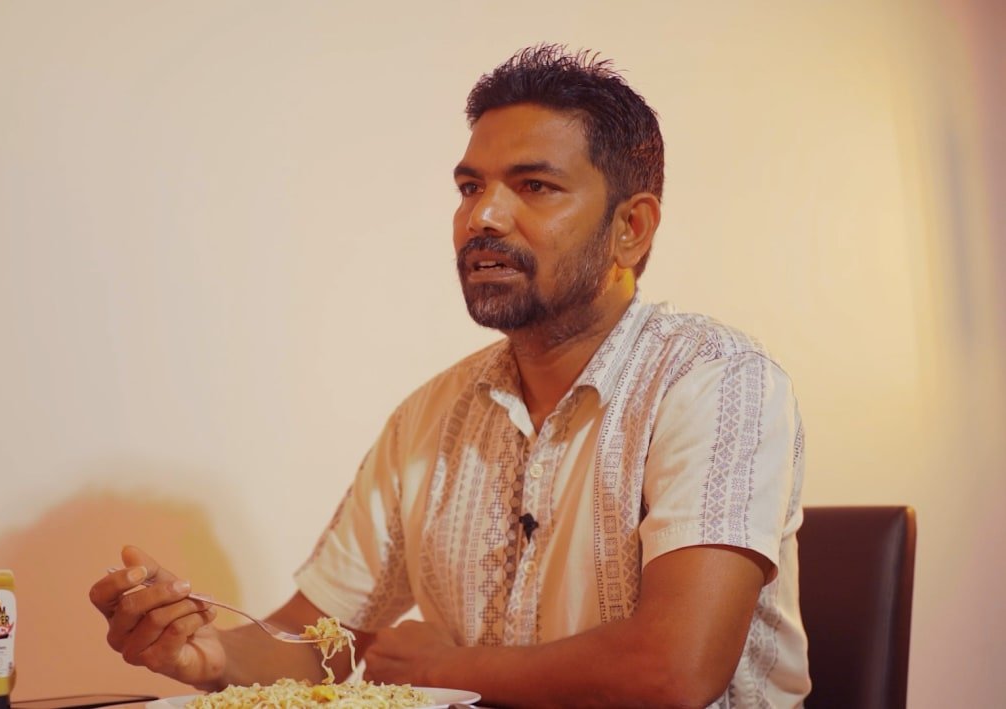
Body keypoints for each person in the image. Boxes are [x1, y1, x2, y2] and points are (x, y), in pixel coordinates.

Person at [89, 45, 810, 708]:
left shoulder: (716, 383)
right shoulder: (430, 416)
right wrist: (209, 655)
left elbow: (674, 669)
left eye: (534, 185)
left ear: (632, 228)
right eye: (470, 187)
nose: (482, 216)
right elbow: (318, 647)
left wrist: (448, 668)